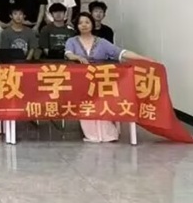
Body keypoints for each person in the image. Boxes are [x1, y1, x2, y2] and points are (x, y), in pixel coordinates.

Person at [65, 12, 153, 143]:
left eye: (87, 22)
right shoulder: (72, 41)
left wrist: (144, 58)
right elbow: (68, 54)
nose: (84, 25)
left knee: (103, 103)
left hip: (101, 81)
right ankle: (92, 135)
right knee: (86, 105)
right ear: (76, 26)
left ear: (92, 24)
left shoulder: (102, 42)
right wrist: (78, 57)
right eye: (80, 23)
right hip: (80, 82)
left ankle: (107, 134)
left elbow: (121, 52)